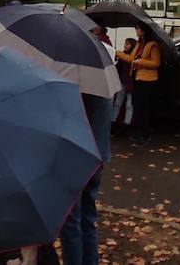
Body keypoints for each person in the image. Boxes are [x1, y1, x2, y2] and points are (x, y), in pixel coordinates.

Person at [59, 93, 113, 265]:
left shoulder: (71, 90)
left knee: (70, 221)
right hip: (97, 156)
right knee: (88, 217)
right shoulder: (101, 81)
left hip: (74, 157)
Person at [118, 26, 162, 143]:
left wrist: (141, 62)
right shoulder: (139, 44)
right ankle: (141, 131)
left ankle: (144, 133)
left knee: (143, 106)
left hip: (147, 79)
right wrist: (117, 53)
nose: (136, 31)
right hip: (137, 77)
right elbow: (131, 58)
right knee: (137, 105)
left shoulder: (152, 45)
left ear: (143, 31)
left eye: (137, 29)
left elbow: (156, 63)